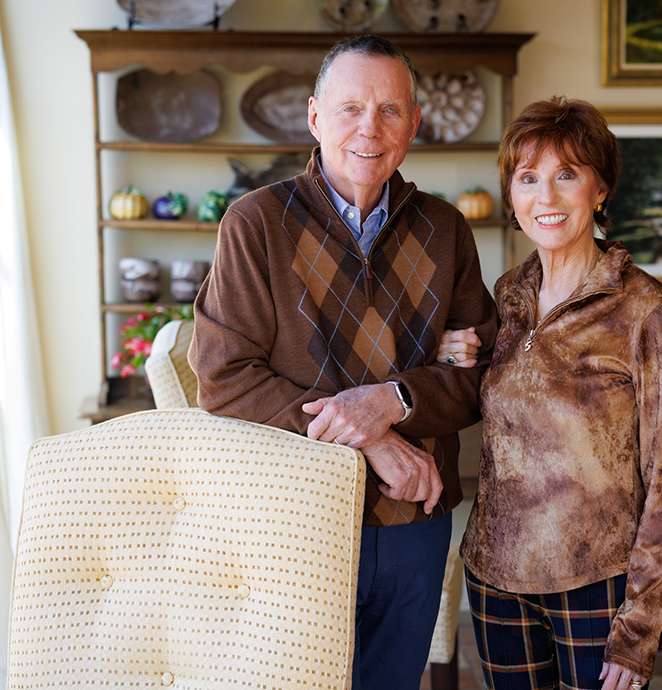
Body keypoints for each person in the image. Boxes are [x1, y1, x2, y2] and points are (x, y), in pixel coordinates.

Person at [188, 34, 498, 690]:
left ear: (415, 124)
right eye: (351, 106)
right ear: (314, 117)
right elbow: (222, 378)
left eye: (391, 110)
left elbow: (479, 373)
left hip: (415, 516)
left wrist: (394, 400)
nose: (370, 127)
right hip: (295, 521)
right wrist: (375, 435)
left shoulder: (446, 230)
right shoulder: (255, 223)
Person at [438, 96, 662, 690]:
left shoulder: (647, 310)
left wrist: (639, 630)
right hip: (496, 577)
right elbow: (497, 409)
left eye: (566, 175)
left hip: (596, 582)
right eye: (528, 178)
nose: (545, 197)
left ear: (599, 190)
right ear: (511, 196)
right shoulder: (506, 296)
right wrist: (457, 358)